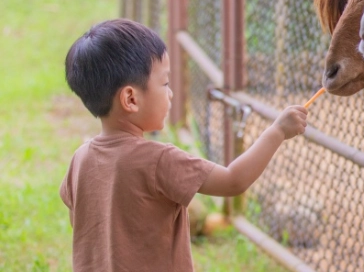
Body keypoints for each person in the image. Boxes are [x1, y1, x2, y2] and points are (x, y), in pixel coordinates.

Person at [59, 19, 308, 271]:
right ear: (131, 98)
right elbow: (233, 181)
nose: (171, 93)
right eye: (165, 83)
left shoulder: (80, 159)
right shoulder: (159, 160)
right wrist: (277, 132)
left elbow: (79, 222)